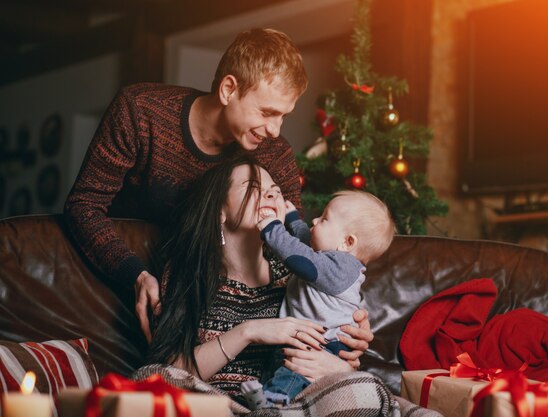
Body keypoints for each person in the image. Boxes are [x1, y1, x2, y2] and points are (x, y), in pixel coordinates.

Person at [64, 28, 308, 341]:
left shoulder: (275, 153)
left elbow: (295, 246)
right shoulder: (140, 111)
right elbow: (83, 204)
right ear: (228, 89)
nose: (276, 129)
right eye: (267, 112)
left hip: (213, 310)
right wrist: (134, 274)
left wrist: (342, 314)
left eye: (284, 116)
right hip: (118, 280)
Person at [143, 156, 386, 413]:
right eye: (254, 188)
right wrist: (249, 332)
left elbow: (338, 336)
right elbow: (168, 372)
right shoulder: (190, 273)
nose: (271, 195)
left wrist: (342, 367)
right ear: (219, 210)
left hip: (301, 401)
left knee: (366, 391)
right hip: (220, 404)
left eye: (275, 191)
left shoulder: (298, 272)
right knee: (147, 376)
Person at [242, 190, 396, 407]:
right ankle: (271, 398)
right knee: (283, 367)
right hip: (308, 338)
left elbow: (298, 257)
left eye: (324, 219)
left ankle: (273, 403)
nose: (315, 220)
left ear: (347, 242)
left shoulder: (342, 267)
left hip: (324, 343)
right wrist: (293, 219)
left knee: (295, 371)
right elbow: (306, 240)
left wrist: (272, 228)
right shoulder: (328, 257)